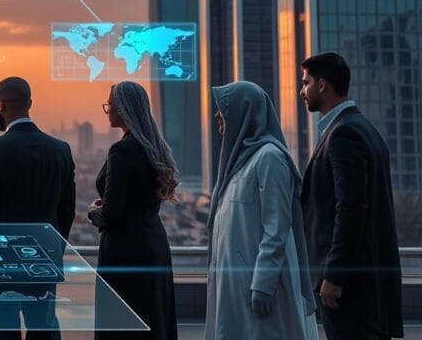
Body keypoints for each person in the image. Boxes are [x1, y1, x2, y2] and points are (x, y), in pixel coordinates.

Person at [299, 53, 403, 340]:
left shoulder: (344, 133)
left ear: (322, 86)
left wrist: (335, 275)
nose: (301, 91)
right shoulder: (364, 128)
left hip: (350, 288)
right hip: (365, 285)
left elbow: (351, 209)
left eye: (305, 83)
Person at [205, 81, 317, 340]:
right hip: (234, 287)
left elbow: (276, 228)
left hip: (259, 288)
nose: (217, 116)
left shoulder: (270, 158)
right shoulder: (239, 165)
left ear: (244, 113)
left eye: (224, 109)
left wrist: (263, 285)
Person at [0, 76, 75, 340]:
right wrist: (52, 251)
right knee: (44, 331)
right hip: (43, 263)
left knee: (3, 333)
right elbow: (67, 210)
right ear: (30, 104)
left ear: (0, 105)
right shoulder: (60, 150)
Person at [87, 81, 178, 340]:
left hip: (125, 253)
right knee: (153, 321)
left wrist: (94, 211)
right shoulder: (154, 147)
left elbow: (112, 216)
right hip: (154, 246)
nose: (108, 111)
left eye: (110, 105)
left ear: (123, 109)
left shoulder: (122, 150)